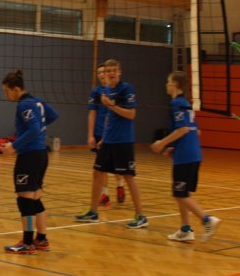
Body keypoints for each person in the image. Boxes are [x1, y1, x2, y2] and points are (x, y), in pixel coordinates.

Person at [73, 58, 147, 228]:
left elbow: (131, 114)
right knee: (97, 173)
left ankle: (141, 216)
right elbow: (108, 118)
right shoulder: (105, 90)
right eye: (108, 71)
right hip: (108, 141)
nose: (111, 73)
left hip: (123, 140)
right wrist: (104, 138)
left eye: (114, 70)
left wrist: (111, 105)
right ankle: (93, 212)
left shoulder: (126, 89)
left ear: (119, 72)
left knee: (128, 177)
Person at [150, 71, 221, 242]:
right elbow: (196, 131)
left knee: (180, 194)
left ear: (175, 84)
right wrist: (173, 147)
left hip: (186, 156)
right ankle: (185, 229)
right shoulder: (186, 104)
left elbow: (183, 129)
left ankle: (207, 219)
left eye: (168, 81)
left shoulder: (176, 103)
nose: (166, 85)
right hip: (193, 154)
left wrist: (162, 143)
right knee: (182, 193)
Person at [0, 70, 58, 254]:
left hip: (29, 156)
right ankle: (42, 239)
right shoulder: (37, 101)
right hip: (41, 154)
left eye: (7, 91)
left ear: (16, 89)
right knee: (35, 198)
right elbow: (53, 115)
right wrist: (39, 129)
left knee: (24, 200)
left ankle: (27, 243)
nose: (6, 95)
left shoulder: (24, 105)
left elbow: (33, 129)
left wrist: (13, 146)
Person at [85, 63, 125, 211]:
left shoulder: (116, 91)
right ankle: (105, 194)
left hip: (113, 134)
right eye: (99, 73)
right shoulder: (96, 92)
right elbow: (92, 113)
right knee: (101, 167)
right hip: (99, 132)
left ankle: (120, 185)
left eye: (104, 72)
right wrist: (90, 135)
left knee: (116, 166)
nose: (102, 75)